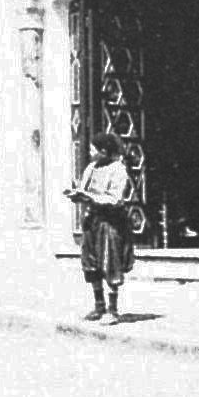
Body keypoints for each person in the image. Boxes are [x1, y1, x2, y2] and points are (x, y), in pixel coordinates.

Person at [65, 132, 134, 323]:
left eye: (94, 148)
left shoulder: (118, 170)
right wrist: (77, 194)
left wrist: (92, 198)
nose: (90, 151)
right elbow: (84, 189)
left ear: (104, 151)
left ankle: (112, 310)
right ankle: (99, 306)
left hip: (110, 223)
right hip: (92, 220)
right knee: (90, 262)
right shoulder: (91, 168)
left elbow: (116, 199)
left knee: (110, 262)